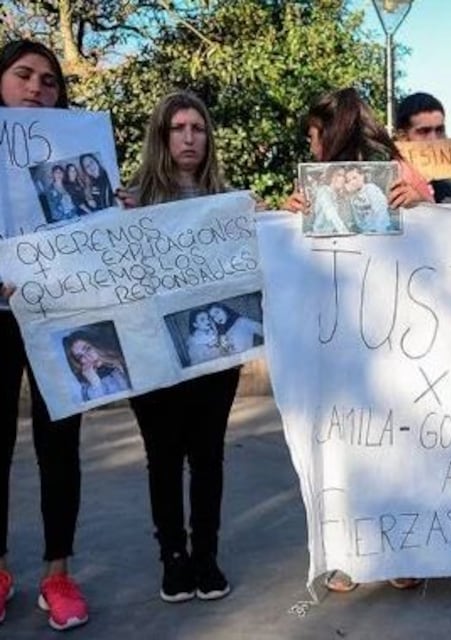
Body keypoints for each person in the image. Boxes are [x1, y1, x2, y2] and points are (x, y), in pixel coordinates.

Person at [283, 88, 428, 592]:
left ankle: (402, 552)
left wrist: (422, 206)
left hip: (396, 336)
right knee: (346, 449)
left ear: (333, 131)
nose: (311, 146)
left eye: (313, 135)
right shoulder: (315, 186)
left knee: (398, 446)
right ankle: (349, 553)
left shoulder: (401, 173)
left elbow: (444, 244)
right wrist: (289, 216)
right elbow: (298, 258)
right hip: (339, 340)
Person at [121, 91, 240, 603]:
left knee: (208, 456)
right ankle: (173, 556)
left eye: (198, 128)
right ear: (161, 137)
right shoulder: (129, 203)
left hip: (214, 351)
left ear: (208, 137)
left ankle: (206, 555)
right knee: (163, 457)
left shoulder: (229, 202)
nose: (189, 138)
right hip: (151, 350)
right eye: (178, 128)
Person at [0, 39, 89, 631]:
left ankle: (58, 574)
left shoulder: (80, 153)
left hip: (63, 314)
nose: (36, 87)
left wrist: (114, 208)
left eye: (49, 81)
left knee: (60, 447)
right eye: (23, 74)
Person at [284, 87, 433, 219]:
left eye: (311, 138)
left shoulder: (399, 173)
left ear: (330, 135)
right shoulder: (315, 184)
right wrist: (289, 213)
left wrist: (419, 204)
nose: (311, 149)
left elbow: (438, 225)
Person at [395, 92, 451, 204]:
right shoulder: (383, 190)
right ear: (402, 137)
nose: (434, 139)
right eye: (424, 131)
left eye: (439, 130)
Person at [64, 331, 131, 401]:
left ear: (96, 344)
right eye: (80, 356)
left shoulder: (123, 358)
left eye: (88, 349)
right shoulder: (87, 388)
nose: (87, 357)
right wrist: (96, 384)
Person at [343, 166, 391, 232]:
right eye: (349, 180)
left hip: (379, 229)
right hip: (364, 231)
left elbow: (381, 211)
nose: (352, 182)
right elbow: (354, 217)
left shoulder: (371, 189)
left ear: (362, 176)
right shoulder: (352, 196)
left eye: (354, 178)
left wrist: (377, 229)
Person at [307, 167, 352, 235]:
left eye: (344, 176)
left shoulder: (337, 195)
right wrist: (345, 232)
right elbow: (331, 214)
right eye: (339, 175)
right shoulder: (324, 191)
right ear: (332, 177)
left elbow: (347, 218)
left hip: (333, 235)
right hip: (321, 234)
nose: (343, 179)